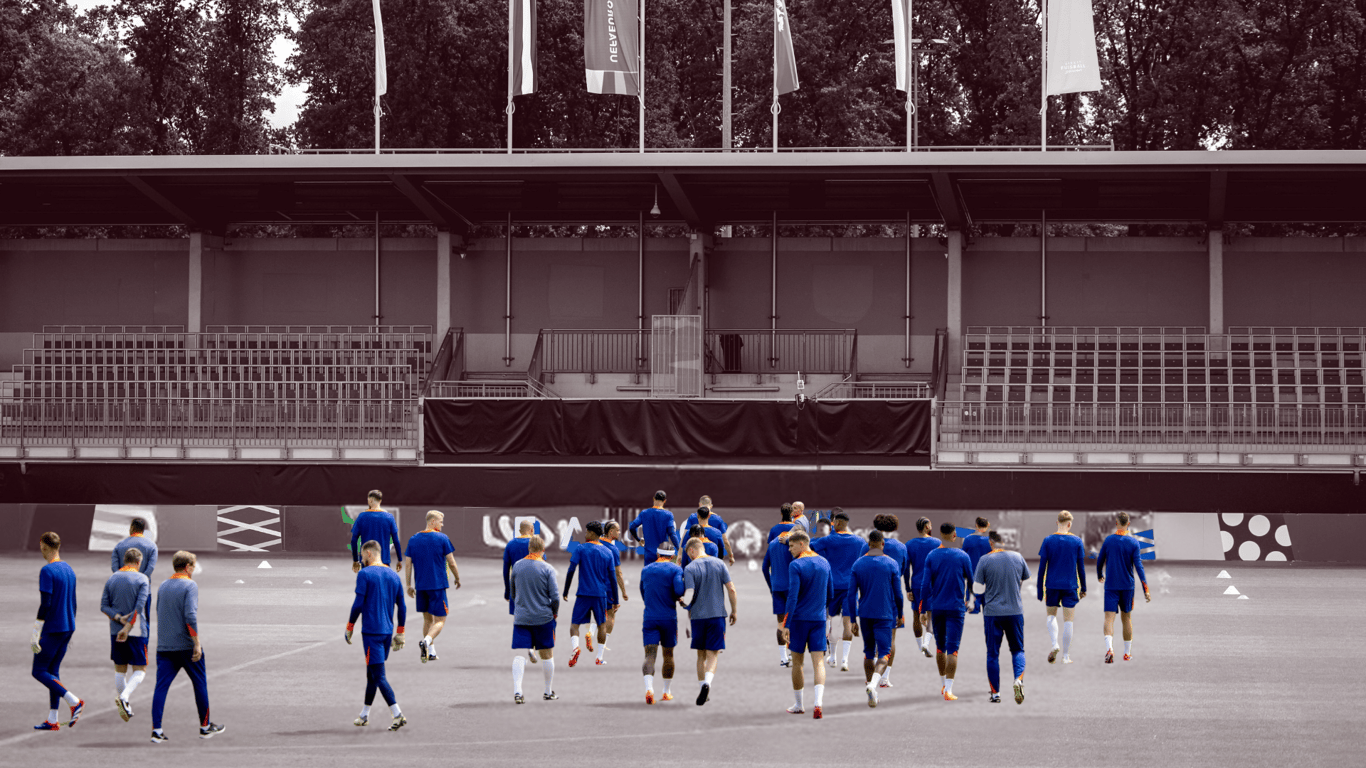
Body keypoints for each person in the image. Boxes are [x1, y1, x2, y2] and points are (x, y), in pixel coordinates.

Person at [151, 551, 224, 742]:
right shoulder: (190, 585)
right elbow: (190, 616)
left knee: (161, 688)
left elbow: (160, 612)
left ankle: (156, 730)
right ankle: (205, 727)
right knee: (199, 683)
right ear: (187, 567)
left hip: (165, 647)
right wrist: (197, 643)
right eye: (193, 565)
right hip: (186, 646)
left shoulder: (163, 585)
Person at [345, 540, 407, 730]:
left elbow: (358, 604)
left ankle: (397, 714)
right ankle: (364, 714)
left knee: (378, 675)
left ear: (369, 553)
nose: (361, 559)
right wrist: (401, 633)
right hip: (387, 633)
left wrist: (350, 626)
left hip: (372, 633)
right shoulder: (394, 576)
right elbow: (402, 606)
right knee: (372, 673)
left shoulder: (365, 574)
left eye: (362, 555)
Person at [31, 531, 83, 732]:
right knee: (53, 672)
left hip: (53, 628)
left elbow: (46, 604)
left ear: (44, 545)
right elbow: (73, 602)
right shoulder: (69, 569)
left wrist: (36, 631)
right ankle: (53, 719)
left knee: (39, 671)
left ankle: (74, 701)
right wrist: (71, 628)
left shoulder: (47, 571)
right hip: (68, 626)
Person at [848, 530, 904, 708]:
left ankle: (869, 688)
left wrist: (852, 620)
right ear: (882, 544)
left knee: (868, 653)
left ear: (868, 544)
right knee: (885, 654)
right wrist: (900, 613)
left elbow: (851, 595)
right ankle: (873, 685)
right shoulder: (891, 563)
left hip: (865, 614)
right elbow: (898, 595)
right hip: (885, 615)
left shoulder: (858, 564)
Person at [974, 531, 1030, 705]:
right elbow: (1023, 579)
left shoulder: (984, 560)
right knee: (1018, 650)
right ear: (1004, 542)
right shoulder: (1018, 557)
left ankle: (995, 693)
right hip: (1015, 611)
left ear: (991, 543)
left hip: (992, 613)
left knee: (992, 654)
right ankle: (1018, 680)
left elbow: (977, 589)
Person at [781, 530, 832, 718]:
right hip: (818, 619)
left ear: (802, 544)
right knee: (819, 662)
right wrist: (821, 610)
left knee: (797, 662)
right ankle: (818, 703)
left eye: (792, 546)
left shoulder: (796, 565)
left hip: (799, 621)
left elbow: (792, 597)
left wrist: (786, 624)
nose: (789, 550)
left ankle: (799, 704)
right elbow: (831, 592)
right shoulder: (824, 562)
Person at [680, 537, 737, 706]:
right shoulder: (719, 564)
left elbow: (689, 592)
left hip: (698, 616)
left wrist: (684, 602)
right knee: (713, 654)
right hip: (717, 615)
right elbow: (731, 589)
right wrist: (734, 610)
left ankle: (701, 687)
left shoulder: (690, 568)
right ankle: (707, 683)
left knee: (700, 655)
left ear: (691, 550)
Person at [810, 509, 868, 671]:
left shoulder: (827, 540)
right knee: (847, 623)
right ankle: (845, 660)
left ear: (836, 523)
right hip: (851, 587)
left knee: (833, 623)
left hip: (832, 586)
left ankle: (833, 657)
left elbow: (808, 547)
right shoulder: (860, 541)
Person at [921, 522, 973, 701]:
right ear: (954, 535)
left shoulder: (932, 556)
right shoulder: (963, 556)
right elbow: (972, 582)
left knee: (940, 648)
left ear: (941, 535)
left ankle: (943, 685)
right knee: (953, 650)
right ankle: (949, 690)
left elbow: (925, 585)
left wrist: (923, 609)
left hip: (937, 608)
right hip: (956, 608)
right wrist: (972, 600)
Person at [508, 535, 560, 703]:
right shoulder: (548, 568)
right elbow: (555, 597)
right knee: (547, 654)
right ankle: (547, 691)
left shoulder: (517, 566)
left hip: (522, 617)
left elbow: (513, 592)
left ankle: (518, 691)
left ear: (528, 548)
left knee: (520, 654)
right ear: (543, 550)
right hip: (543, 617)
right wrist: (554, 613)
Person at [404, 510, 461, 663]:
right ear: (433, 522)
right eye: (441, 522)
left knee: (427, 620)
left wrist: (409, 584)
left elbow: (408, 564)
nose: (442, 525)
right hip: (437, 586)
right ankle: (426, 641)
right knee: (440, 620)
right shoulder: (442, 538)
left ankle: (430, 652)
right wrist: (457, 578)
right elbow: (452, 562)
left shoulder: (413, 539)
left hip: (421, 586)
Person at [101, 547, 151, 722]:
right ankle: (124, 697)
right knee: (140, 669)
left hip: (115, 629)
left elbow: (103, 606)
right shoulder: (142, 579)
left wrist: (118, 618)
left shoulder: (112, 579)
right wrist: (129, 626)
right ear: (139, 562)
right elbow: (139, 606)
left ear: (124, 561)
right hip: (136, 631)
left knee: (120, 669)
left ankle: (125, 705)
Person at [1097, 511, 1151, 663]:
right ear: (1128, 524)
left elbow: (1100, 560)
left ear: (1116, 522)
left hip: (1111, 586)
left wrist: (1099, 574)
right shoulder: (1134, 543)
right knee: (1126, 618)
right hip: (1128, 587)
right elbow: (1139, 567)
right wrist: (1145, 588)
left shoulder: (1108, 541)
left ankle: (1110, 649)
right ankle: (1127, 654)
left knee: (1109, 618)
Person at [563, 521, 618, 668]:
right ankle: (599, 657)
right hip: (601, 595)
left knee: (574, 625)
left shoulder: (581, 548)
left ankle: (575, 648)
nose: (585, 534)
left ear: (593, 533)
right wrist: (616, 600)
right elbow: (613, 578)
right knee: (601, 625)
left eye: (587, 532)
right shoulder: (608, 552)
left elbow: (571, 570)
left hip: (583, 594)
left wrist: (566, 591)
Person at [1037, 510, 1087, 664]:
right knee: (1068, 621)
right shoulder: (1077, 541)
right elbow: (1081, 568)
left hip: (1052, 585)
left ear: (1057, 522)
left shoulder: (1048, 540)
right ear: (1070, 524)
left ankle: (1054, 644)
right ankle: (1066, 656)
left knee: (1051, 617)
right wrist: (1083, 587)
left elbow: (1042, 567)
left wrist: (1040, 588)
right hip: (1070, 586)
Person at [639, 544, 686, 704]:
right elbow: (679, 591)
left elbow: (643, 592)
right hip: (669, 618)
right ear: (672, 556)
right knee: (668, 655)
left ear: (657, 553)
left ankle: (649, 688)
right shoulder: (675, 569)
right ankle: (666, 691)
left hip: (650, 617)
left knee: (650, 655)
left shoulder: (646, 570)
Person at [871, 514, 908, 688]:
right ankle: (884, 677)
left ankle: (871, 672)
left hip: (870, 593)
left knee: (872, 635)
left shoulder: (868, 545)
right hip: (892, 595)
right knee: (891, 638)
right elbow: (903, 570)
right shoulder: (901, 547)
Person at [596, 520, 629, 665]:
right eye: (618, 530)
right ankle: (600, 653)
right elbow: (618, 572)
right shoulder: (613, 549)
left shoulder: (594, 544)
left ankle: (591, 629)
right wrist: (623, 591)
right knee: (610, 615)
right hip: (608, 587)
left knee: (596, 611)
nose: (620, 533)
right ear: (611, 532)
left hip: (593, 585)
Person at [905, 516, 939, 657]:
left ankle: (921, 647)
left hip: (917, 584)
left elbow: (906, 568)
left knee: (916, 615)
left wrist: (907, 588)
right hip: (932, 584)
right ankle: (926, 642)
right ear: (926, 527)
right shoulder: (937, 542)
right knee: (931, 616)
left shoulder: (909, 544)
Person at [762, 528, 796, 667]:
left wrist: (772, 586)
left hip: (777, 587)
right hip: (792, 588)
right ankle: (794, 654)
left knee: (780, 623)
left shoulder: (773, 544)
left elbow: (765, 568)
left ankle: (783, 658)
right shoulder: (793, 544)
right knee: (794, 621)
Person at [350, 490, 402, 574]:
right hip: (384, 560)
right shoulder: (389, 517)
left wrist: (356, 560)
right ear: (380, 501)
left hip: (367, 560)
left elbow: (353, 540)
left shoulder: (362, 517)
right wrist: (399, 559)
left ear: (370, 500)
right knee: (383, 585)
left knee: (368, 585)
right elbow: (396, 540)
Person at [628, 491, 680, 561]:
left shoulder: (644, 513)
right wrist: (679, 549)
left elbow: (632, 527)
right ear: (664, 501)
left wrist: (638, 540)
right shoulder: (668, 515)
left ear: (653, 499)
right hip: (662, 553)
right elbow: (672, 534)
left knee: (648, 571)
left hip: (649, 554)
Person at [962, 517, 992, 615]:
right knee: (988, 611)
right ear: (987, 526)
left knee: (971, 610)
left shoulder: (968, 539)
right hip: (987, 577)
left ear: (976, 525)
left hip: (972, 577)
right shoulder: (990, 541)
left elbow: (963, 557)